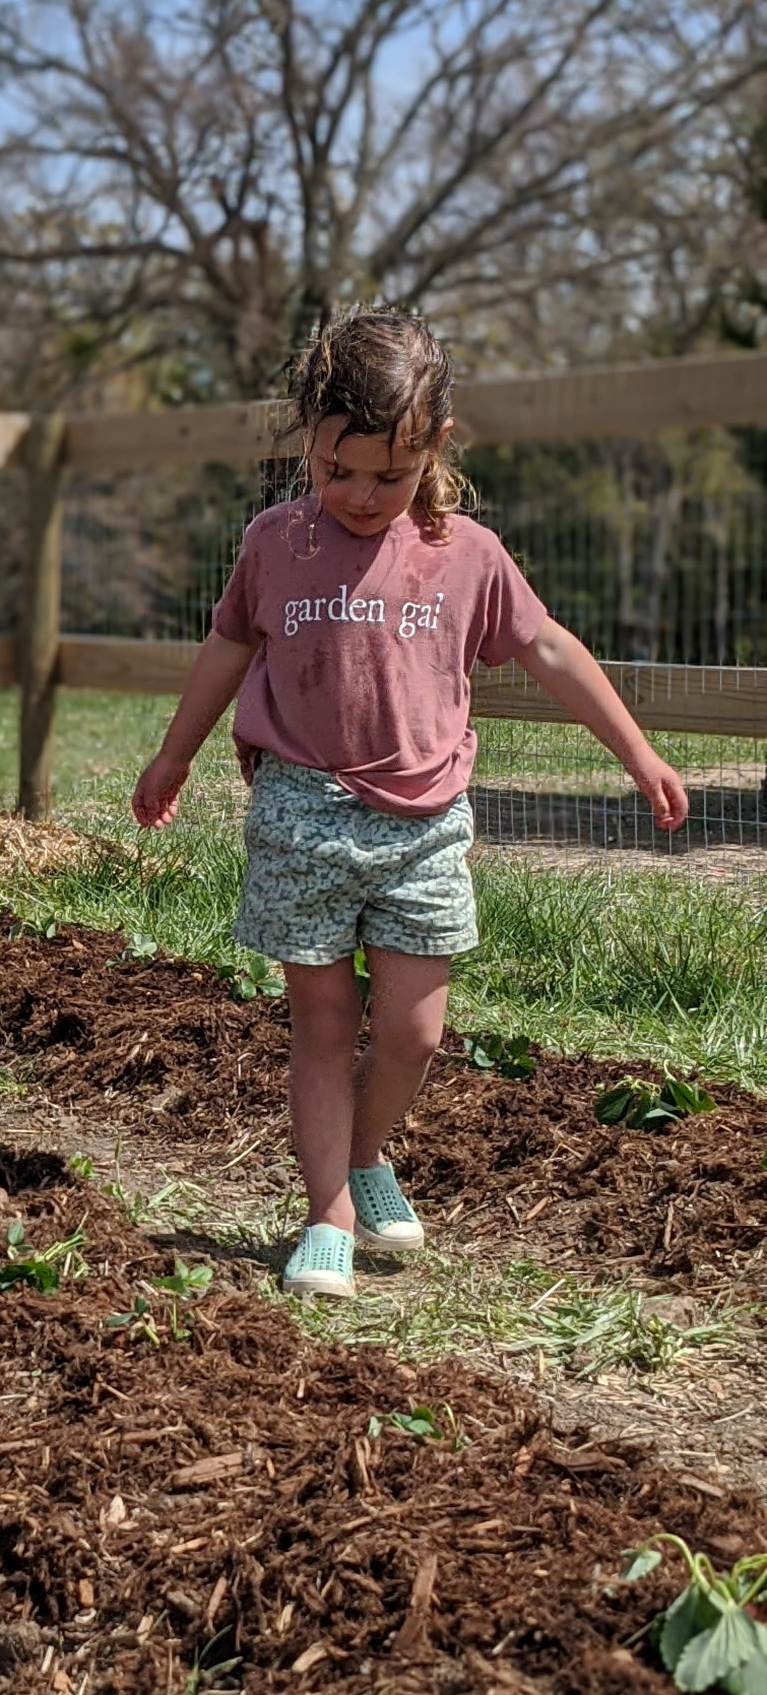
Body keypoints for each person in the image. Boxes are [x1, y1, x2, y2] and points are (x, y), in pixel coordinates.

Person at [131, 309, 688, 1299]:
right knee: (322, 1016)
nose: (356, 494)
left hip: (425, 823)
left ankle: (366, 1151)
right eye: (334, 468)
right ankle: (327, 1215)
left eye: (385, 476)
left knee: (413, 1031)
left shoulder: (465, 552)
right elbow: (227, 646)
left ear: (433, 445)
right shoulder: (276, 542)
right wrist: (174, 754)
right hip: (302, 809)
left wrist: (637, 752)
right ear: (308, 438)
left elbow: (549, 647)